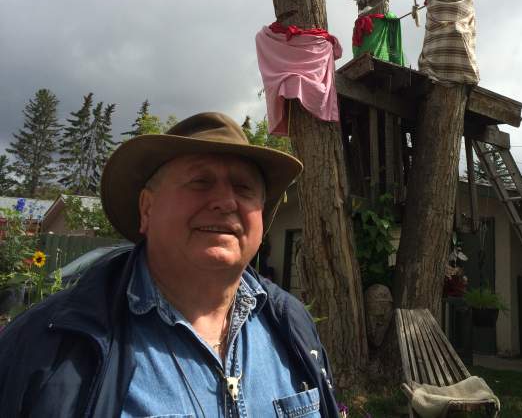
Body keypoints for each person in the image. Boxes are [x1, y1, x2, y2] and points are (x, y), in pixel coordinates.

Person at [0, 112, 339, 417]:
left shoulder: (290, 324)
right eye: (200, 182)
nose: (225, 201)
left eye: (244, 187)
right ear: (147, 208)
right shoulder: (47, 344)